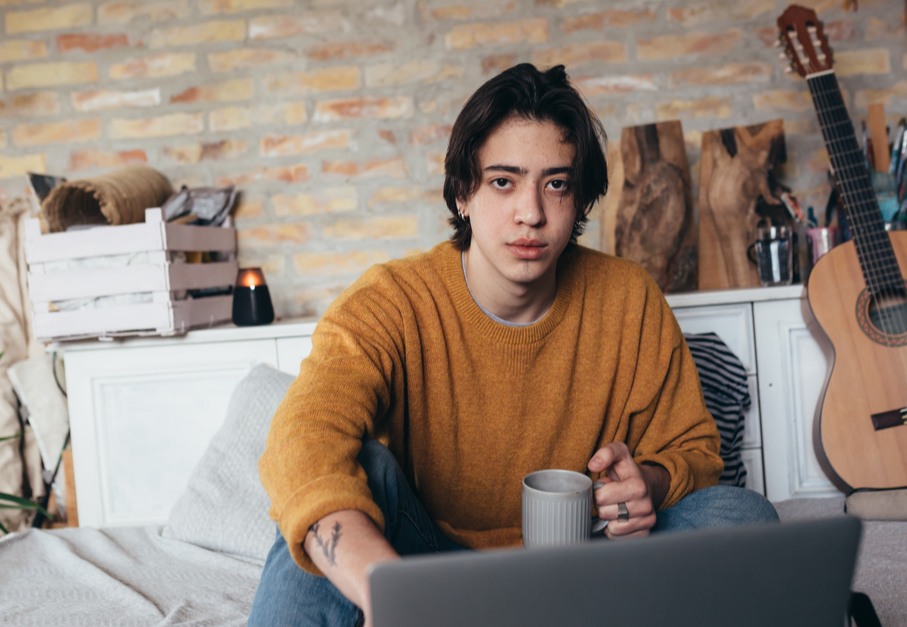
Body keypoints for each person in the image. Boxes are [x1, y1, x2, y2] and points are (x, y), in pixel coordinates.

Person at [250, 63, 778, 627]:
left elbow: (696, 450)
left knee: (741, 514)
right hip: (427, 573)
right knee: (331, 501)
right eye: (503, 181)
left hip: (584, 569)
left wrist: (648, 481)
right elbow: (302, 435)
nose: (531, 213)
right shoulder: (391, 300)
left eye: (556, 184)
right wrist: (386, 590)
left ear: (578, 202)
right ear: (462, 194)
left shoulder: (629, 298)